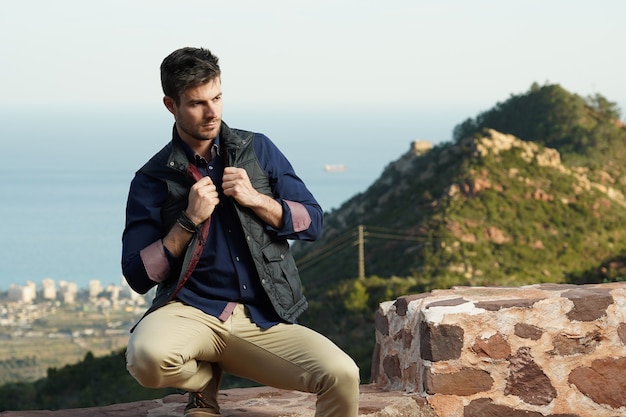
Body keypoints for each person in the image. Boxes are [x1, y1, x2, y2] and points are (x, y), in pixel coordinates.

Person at [121, 47, 360, 417]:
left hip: (261, 317)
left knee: (343, 374)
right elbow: (137, 275)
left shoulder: (258, 149)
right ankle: (202, 382)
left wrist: (255, 199)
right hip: (191, 311)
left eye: (216, 98)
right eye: (197, 103)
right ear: (171, 105)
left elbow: (313, 222)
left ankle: (210, 374)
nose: (212, 112)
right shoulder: (153, 178)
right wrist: (187, 221)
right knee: (146, 359)